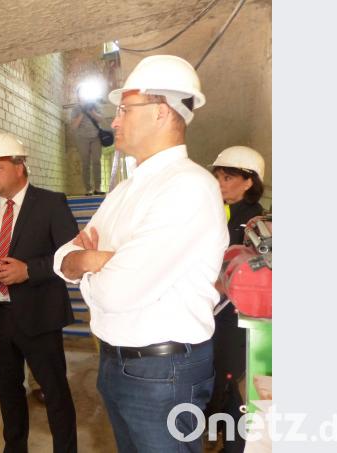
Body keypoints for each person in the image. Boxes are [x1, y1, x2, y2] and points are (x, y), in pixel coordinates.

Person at [54, 55, 229, 453]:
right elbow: (64, 257)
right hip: (118, 364)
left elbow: (117, 292)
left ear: (162, 112)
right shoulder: (123, 191)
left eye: (124, 110)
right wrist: (91, 260)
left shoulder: (188, 188)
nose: (114, 121)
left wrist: (93, 264)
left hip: (163, 374)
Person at [0, 133, 79, 453]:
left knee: (54, 392)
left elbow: (70, 255)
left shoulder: (51, 203)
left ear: (19, 167)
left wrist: (29, 271)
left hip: (39, 316)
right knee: (9, 392)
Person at [206, 145, 266, 453]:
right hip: (213, 314)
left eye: (227, 177)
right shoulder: (220, 212)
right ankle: (226, 438)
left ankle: (233, 443)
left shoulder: (258, 222)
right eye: (217, 175)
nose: (219, 182)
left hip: (237, 320)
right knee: (220, 381)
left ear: (248, 182)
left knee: (228, 382)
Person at [69, 89, 106, 195]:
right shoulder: (76, 109)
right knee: (85, 163)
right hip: (82, 138)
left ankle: (98, 188)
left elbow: (101, 119)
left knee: (96, 162)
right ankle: (88, 189)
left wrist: (91, 111)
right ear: (78, 95)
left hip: (96, 137)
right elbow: (74, 126)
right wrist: (82, 112)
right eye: (81, 94)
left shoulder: (94, 105)